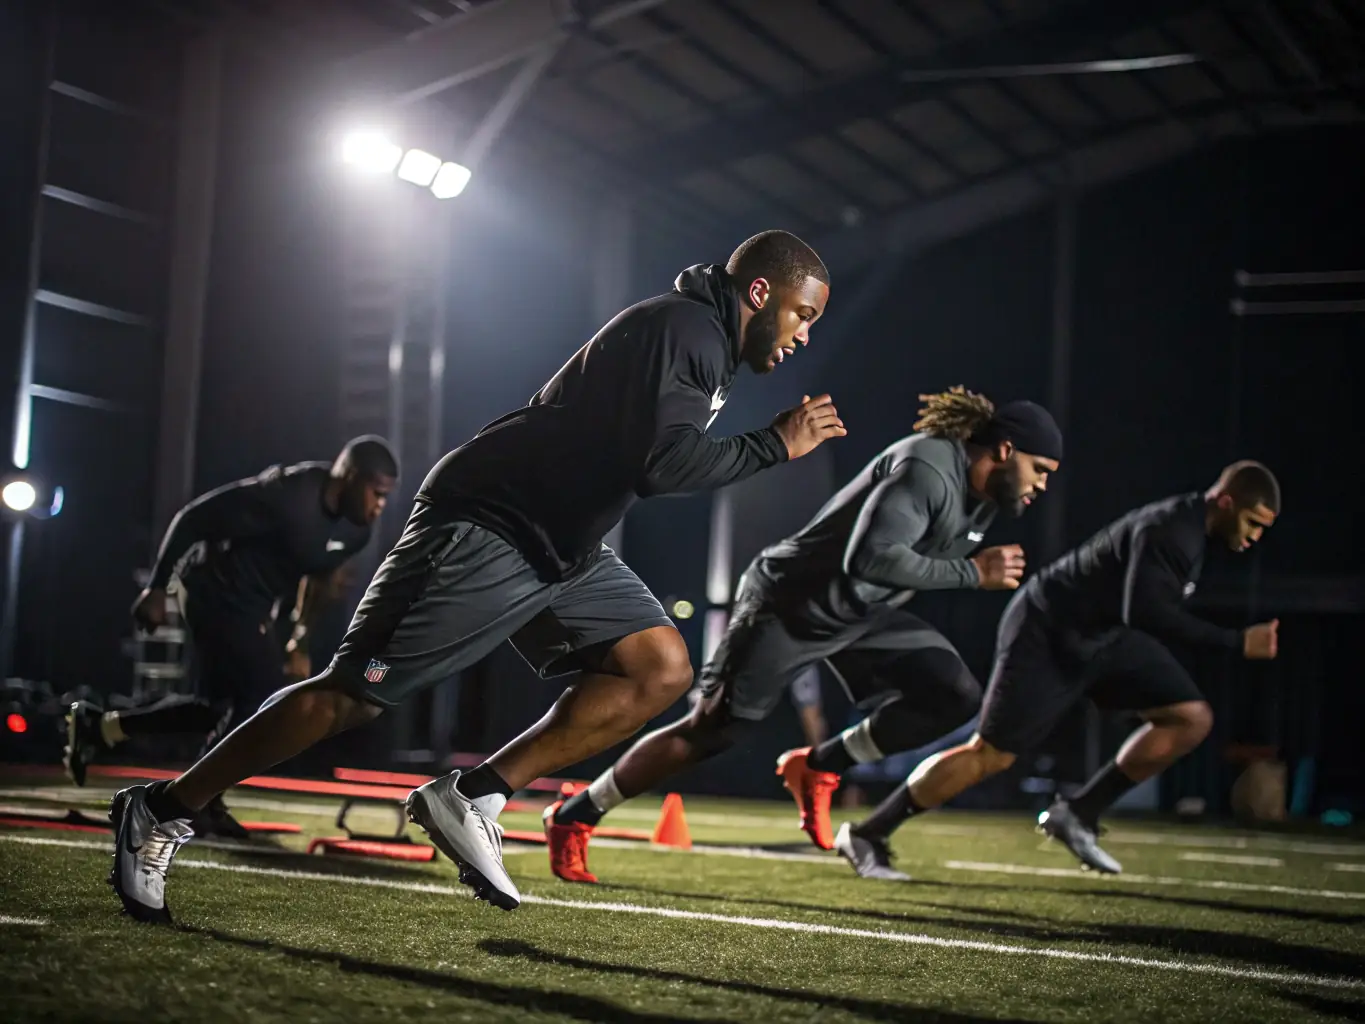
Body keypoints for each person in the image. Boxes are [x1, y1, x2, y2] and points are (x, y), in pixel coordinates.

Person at [108, 229, 844, 923]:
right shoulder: (686, 331)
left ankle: (474, 795)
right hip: (491, 521)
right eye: (800, 314)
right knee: (350, 699)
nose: (803, 334)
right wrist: (773, 446)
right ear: (757, 293)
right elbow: (659, 464)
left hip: (561, 543)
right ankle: (164, 807)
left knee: (656, 667)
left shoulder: (703, 340)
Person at [545, 387, 1062, 883]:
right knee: (709, 732)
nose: (1041, 485)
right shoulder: (928, 466)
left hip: (859, 614)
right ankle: (576, 813)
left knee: (954, 695)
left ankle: (820, 766)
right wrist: (975, 574)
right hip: (789, 605)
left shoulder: (989, 498)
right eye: (1039, 471)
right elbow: (873, 556)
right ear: (1005, 449)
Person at [838, 461, 1281, 879]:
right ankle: (867, 834)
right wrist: (1236, 641)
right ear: (1226, 502)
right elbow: (1147, 613)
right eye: (1253, 523)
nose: (1256, 537)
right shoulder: (1171, 529)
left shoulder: (1195, 535)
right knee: (990, 755)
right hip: (1046, 630)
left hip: (1101, 638)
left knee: (1190, 717)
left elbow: (1137, 614)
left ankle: (1078, 812)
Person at [66, 438, 396, 832]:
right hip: (211, 589)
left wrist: (299, 638)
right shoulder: (287, 496)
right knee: (261, 698)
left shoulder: (356, 530)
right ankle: (196, 799)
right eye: (376, 493)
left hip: (253, 608)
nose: (380, 506)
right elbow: (194, 518)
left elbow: (321, 579)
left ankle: (102, 729)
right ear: (350, 476)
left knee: (219, 706)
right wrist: (156, 587)